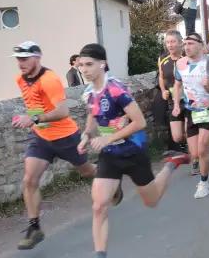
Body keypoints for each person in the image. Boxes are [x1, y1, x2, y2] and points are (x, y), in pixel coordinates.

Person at [77, 43, 190, 258]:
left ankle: (171, 164)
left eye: (89, 64)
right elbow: (93, 116)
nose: (84, 69)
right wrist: (86, 135)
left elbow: (139, 122)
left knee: (152, 201)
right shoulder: (89, 93)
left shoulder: (116, 89)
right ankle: (100, 253)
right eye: (81, 65)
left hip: (133, 151)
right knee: (99, 206)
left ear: (103, 64)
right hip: (110, 155)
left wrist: (109, 137)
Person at [11, 41, 120, 250]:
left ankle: (111, 178)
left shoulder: (49, 79)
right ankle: (35, 228)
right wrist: (27, 119)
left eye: (25, 58)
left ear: (37, 58)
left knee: (87, 171)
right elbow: (35, 106)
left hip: (65, 136)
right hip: (41, 138)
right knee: (29, 180)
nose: (21, 63)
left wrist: (33, 119)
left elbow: (63, 112)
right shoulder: (20, 80)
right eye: (18, 59)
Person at [171, 33, 209, 199]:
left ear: (200, 45)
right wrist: (177, 105)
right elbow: (177, 85)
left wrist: (208, 88)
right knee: (195, 153)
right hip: (191, 111)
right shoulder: (180, 63)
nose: (187, 47)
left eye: (191, 43)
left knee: (202, 148)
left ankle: (204, 183)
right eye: (185, 44)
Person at [153, 30, 186, 154]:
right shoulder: (162, 59)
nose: (170, 45)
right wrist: (163, 90)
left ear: (180, 42)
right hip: (172, 100)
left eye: (173, 42)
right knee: (177, 135)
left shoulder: (186, 58)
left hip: (187, 99)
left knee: (189, 131)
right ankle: (184, 145)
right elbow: (161, 77)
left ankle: (194, 151)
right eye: (167, 42)